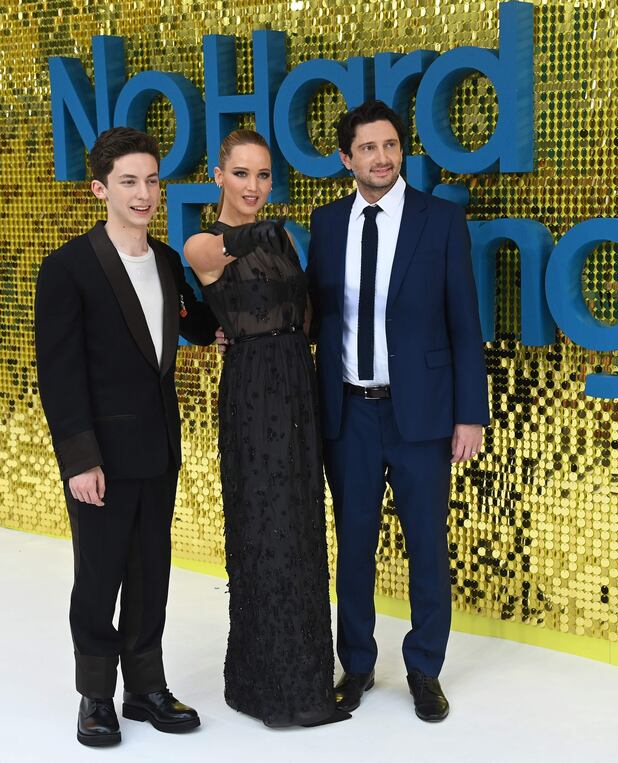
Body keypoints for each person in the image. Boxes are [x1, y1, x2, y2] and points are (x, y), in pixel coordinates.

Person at [306, 100, 490, 722]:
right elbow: (316, 316)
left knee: (427, 545)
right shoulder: (327, 223)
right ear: (345, 158)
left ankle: (424, 669)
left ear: (401, 150)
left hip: (423, 415)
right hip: (348, 413)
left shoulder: (440, 220)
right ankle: (356, 664)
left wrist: (471, 414)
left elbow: (465, 322)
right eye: (367, 148)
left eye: (390, 145)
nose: (380, 157)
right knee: (353, 543)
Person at [34, 127, 218, 747]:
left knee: (151, 574)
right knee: (98, 577)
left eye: (152, 180)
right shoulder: (67, 269)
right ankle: (95, 696)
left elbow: (196, 327)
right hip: (101, 460)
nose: (144, 194)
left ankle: (145, 688)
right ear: (100, 189)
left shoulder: (166, 259)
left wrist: (224, 269)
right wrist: (79, 459)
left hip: (159, 448)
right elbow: (59, 376)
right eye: (130, 182)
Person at [183, 129, 347, 728]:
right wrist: (274, 230)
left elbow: (303, 317)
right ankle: (269, 689)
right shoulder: (204, 242)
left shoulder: (284, 242)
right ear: (218, 176)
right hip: (252, 391)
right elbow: (219, 253)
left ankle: (304, 679)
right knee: (264, 527)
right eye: (242, 174)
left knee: (301, 526)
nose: (254, 187)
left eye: (263, 176)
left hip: (295, 384)